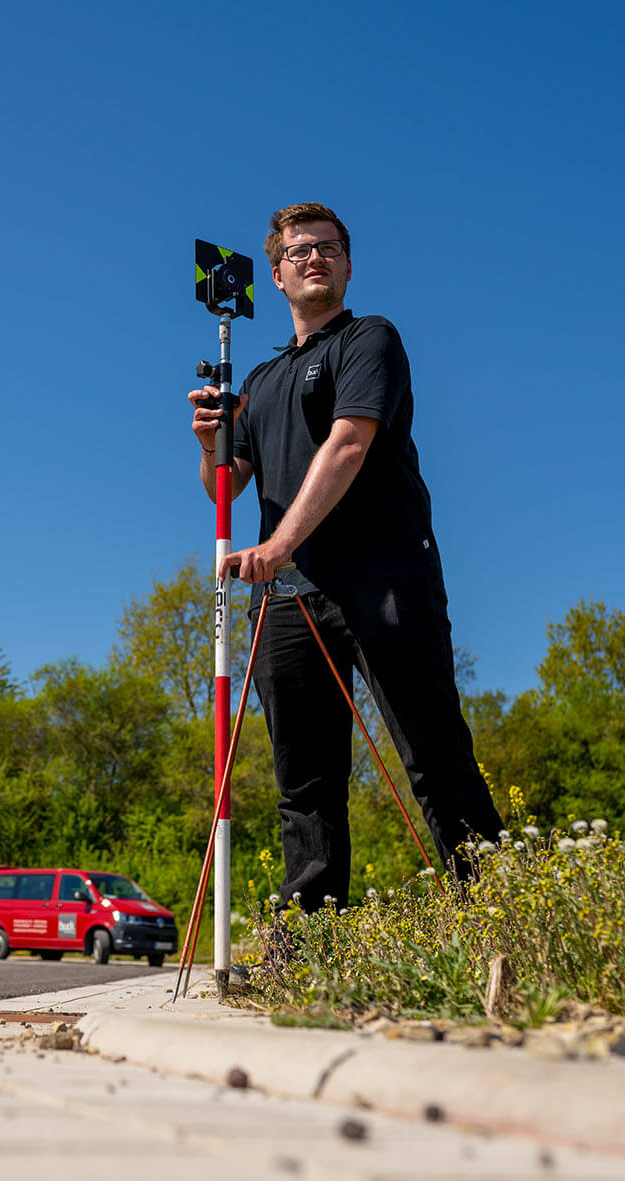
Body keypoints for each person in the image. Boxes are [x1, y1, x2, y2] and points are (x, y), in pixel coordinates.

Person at [190, 202, 504, 936]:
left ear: (348, 264)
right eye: (298, 251)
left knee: (433, 754)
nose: (313, 259)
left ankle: (503, 922)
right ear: (274, 275)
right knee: (305, 785)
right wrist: (209, 442)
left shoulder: (370, 341)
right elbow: (225, 487)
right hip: (290, 603)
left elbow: (348, 445)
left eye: (327, 248)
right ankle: (308, 942)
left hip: (383, 579)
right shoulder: (261, 380)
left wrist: (279, 545)